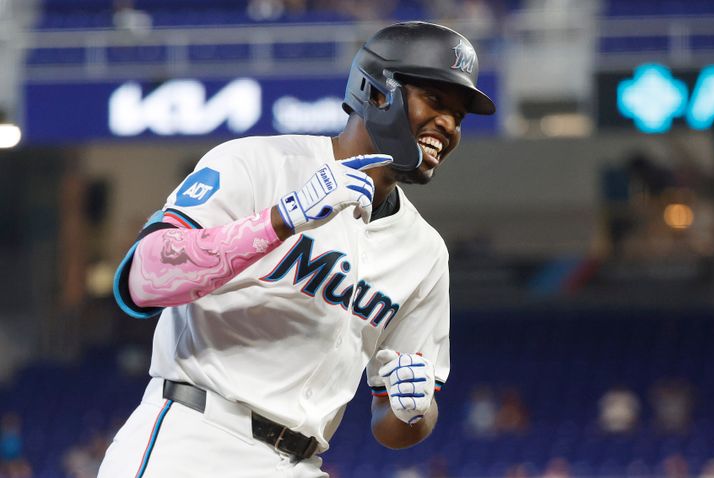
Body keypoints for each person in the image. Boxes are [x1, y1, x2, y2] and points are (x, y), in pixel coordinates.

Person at [98, 21, 495, 478]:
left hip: (302, 461)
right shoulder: (256, 163)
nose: (448, 124)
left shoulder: (424, 251)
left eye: (459, 116)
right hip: (195, 436)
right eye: (436, 101)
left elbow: (391, 427)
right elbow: (143, 280)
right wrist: (280, 219)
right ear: (377, 92)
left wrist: (413, 409)